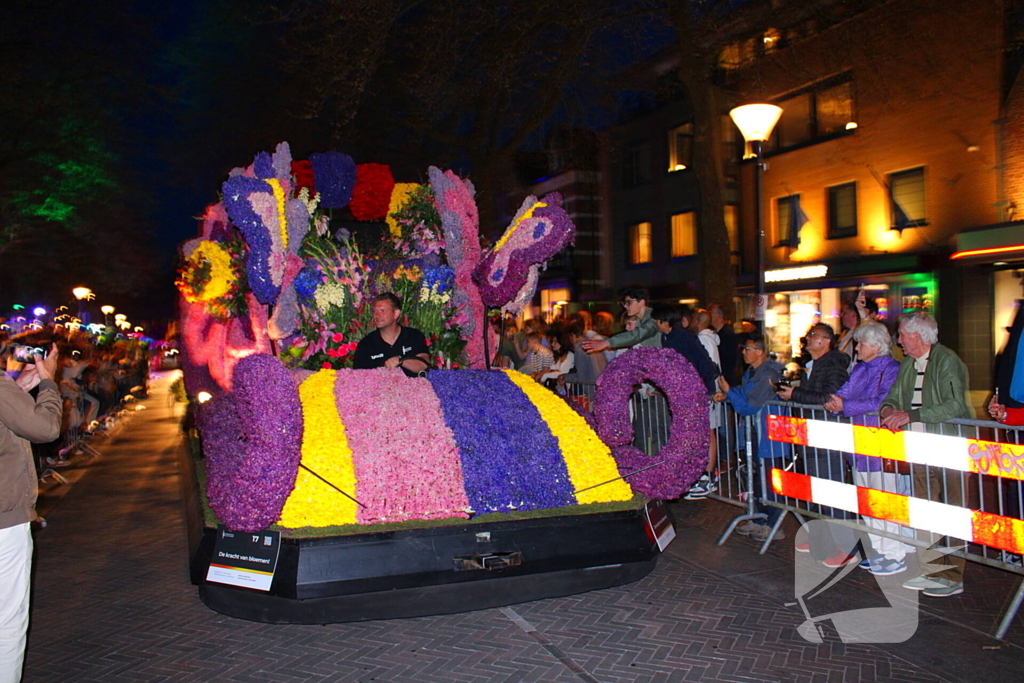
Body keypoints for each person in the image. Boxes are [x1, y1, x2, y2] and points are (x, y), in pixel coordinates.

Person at [879, 312, 972, 598]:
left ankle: (952, 575)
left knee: (951, 511)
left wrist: (911, 414)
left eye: (902, 335)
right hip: (920, 447)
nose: (899, 341)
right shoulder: (909, 364)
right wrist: (888, 411)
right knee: (924, 512)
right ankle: (932, 570)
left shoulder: (946, 361)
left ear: (918, 336)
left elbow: (954, 405)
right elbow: (893, 397)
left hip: (948, 447)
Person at [824, 322, 907, 575]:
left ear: (876, 346)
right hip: (860, 444)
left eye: (861, 343)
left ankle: (895, 553)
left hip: (882, 444)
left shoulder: (892, 369)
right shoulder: (860, 368)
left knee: (886, 501)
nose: (857, 347)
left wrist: (845, 406)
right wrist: (835, 401)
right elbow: (843, 392)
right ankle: (880, 550)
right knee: (868, 501)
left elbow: (882, 401)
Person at [1, 344, 61, 682]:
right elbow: (45, 429)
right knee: (7, 623)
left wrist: (18, 387)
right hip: (3, 520)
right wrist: (49, 384)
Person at [717, 333, 787, 541]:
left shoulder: (769, 376)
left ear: (760, 352)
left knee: (769, 479)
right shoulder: (752, 372)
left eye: (748, 349)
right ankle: (759, 518)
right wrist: (729, 394)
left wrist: (729, 392)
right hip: (756, 433)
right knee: (756, 478)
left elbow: (750, 406)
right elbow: (745, 395)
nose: (744, 353)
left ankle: (773, 524)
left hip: (768, 435)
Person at [687, 308, 725, 499]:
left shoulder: (704, 340)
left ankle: (708, 474)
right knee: (707, 431)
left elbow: (708, 368)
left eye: (693, 319)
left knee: (708, 431)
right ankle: (705, 472)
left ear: (699, 321)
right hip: (709, 393)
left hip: (708, 394)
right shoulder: (707, 339)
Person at [353, 293, 430, 377]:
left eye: (382, 311)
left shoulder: (413, 336)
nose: (377, 315)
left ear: (396, 314)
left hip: (414, 387)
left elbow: (424, 365)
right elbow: (359, 378)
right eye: (375, 311)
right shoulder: (366, 344)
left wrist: (401, 361)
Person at [582, 285, 661, 356]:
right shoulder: (640, 320)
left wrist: (607, 343)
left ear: (641, 302)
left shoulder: (654, 318)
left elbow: (637, 334)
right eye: (624, 303)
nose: (626, 306)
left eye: (629, 303)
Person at [710, 303, 739, 387]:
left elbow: (729, 361)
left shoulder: (728, 335)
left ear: (719, 315)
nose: (709, 315)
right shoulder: (718, 334)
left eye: (711, 312)